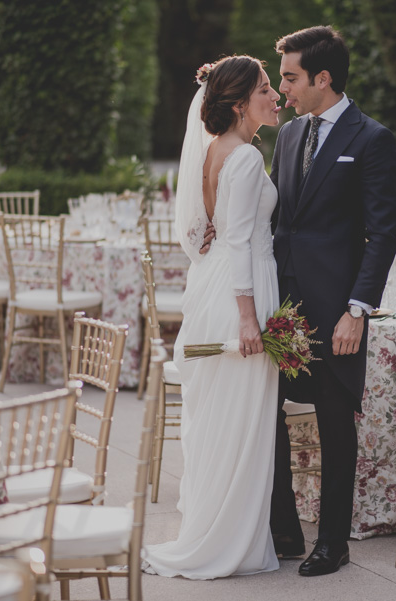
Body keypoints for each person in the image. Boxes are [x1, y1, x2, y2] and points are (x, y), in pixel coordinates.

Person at [143, 55, 283, 580]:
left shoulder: (215, 152)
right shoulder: (244, 158)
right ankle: (226, 543)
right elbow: (242, 240)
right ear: (238, 103)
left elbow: (216, 232)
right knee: (240, 424)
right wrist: (249, 319)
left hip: (215, 284)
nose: (274, 96)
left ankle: (223, 534)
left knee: (222, 420)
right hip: (238, 294)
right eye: (265, 88)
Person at [269, 26, 396, 577]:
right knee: (264, 412)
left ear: (323, 78)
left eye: (291, 78)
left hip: (336, 313)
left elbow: (383, 233)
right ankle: (282, 529)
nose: (283, 90)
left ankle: (333, 543)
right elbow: (279, 218)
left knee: (333, 422)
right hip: (282, 305)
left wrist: (357, 309)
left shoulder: (372, 139)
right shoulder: (288, 134)